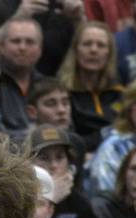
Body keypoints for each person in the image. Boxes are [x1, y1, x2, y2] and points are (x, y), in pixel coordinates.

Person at [57, 20, 124, 152]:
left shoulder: (121, 94)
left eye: (101, 45)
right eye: (87, 44)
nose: (93, 50)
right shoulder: (61, 93)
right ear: (76, 50)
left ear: (109, 53)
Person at [0, 17, 45, 136]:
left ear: (40, 49)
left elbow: (65, 129)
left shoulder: (47, 85)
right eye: (16, 41)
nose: (22, 47)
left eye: (30, 42)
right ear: (2, 47)